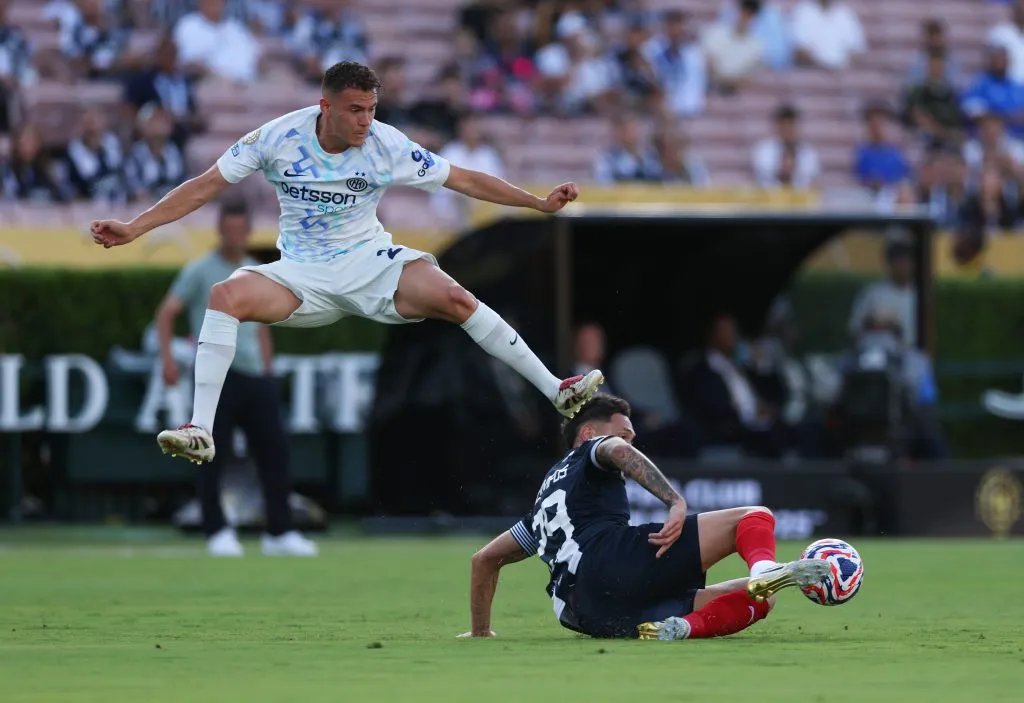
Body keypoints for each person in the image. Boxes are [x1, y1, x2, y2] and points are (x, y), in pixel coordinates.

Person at [91, 60, 604, 464]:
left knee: (455, 296)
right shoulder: (277, 138)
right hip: (302, 273)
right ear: (326, 106)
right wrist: (136, 227)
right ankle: (199, 429)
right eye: (356, 110)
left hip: (370, 261)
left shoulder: (386, 144)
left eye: (371, 109)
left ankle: (555, 389)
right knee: (224, 295)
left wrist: (537, 203)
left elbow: (465, 179)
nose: (366, 121)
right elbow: (205, 185)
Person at [459, 395, 829, 641]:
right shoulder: (591, 449)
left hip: (588, 615)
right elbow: (615, 449)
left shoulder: (544, 502)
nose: (630, 443)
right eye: (625, 433)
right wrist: (674, 499)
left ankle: (685, 626)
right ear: (588, 432)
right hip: (610, 561)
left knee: (759, 598)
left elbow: (484, 559)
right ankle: (765, 568)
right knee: (754, 515)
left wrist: (481, 632)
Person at [155, 200, 317, 557]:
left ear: (246, 231)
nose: (234, 234)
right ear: (220, 230)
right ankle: (216, 530)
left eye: (240, 228)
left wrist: (268, 367)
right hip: (220, 377)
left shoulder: (256, 270)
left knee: (275, 453)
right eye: (228, 227)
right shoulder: (200, 270)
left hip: (257, 376)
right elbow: (166, 315)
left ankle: (280, 531)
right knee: (211, 453)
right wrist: (167, 360)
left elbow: (262, 325)